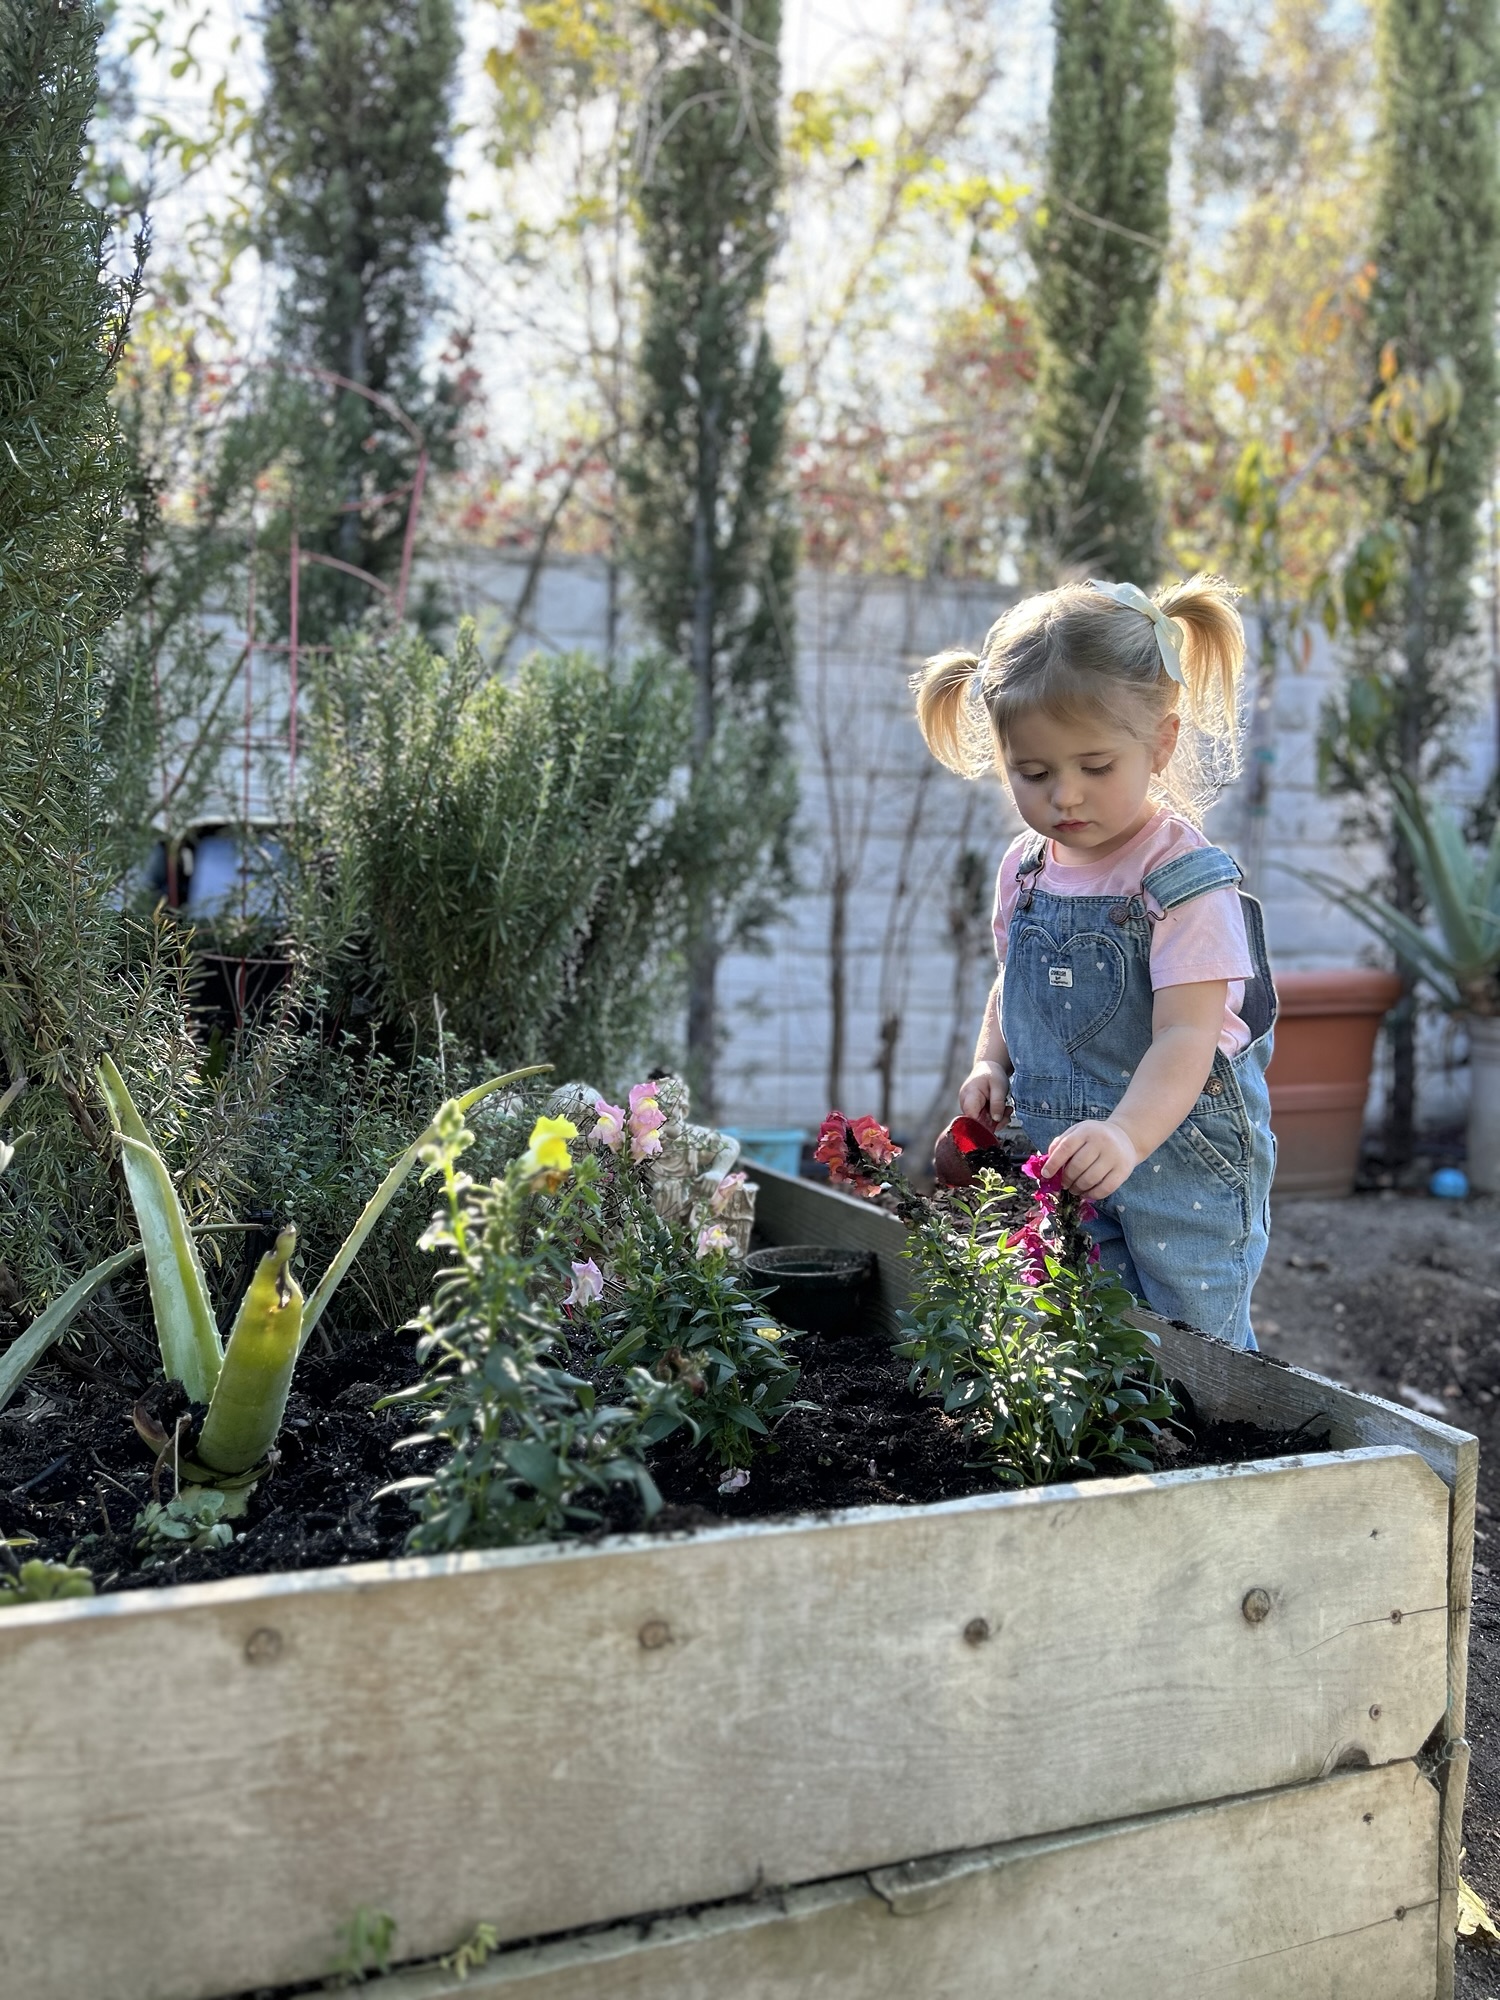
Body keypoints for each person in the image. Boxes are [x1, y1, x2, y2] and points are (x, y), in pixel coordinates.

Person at [912, 575, 1276, 1349]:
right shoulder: (1027, 869)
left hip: (1178, 1156)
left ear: (1161, 744)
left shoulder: (1182, 881)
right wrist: (991, 1063)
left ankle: (1215, 1466)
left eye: (1095, 767)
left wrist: (1126, 1137)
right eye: (1034, 774)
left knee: (1191, 1343)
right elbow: (1017, 982)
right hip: (1063, 1153)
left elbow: (1187, 1036)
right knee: (1078, 1331)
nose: (1065, 796)